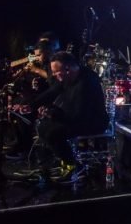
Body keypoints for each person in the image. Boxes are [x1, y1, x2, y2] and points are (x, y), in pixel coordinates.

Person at [32, 51, 109, 180]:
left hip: (92, 121)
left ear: (67, 69)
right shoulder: (68, 76)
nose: (54, 75)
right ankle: (63, 160)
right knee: (43, 126)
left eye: (56, 72)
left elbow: (79, 115)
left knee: (52, 133)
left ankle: (72, 165)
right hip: (75, 117)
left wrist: (53, 113)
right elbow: (53, 91)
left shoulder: (86, 82)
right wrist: (31, 105)